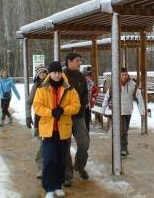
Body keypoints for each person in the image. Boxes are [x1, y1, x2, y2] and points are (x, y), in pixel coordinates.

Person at [33, 61, 80, 198]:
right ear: (50, 73)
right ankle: (49, 188)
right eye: (54, 72)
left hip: (63, 130)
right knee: (49, 159)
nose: (57, 75)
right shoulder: (42, 89)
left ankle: (58, 185)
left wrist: (63, 110)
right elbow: (37, 106)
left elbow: (76, 105)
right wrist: (51, 112)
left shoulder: (69, 89)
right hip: (49, 130)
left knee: (61, 159)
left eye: (59, 72)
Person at [102, 67, 145, 156]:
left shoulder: (133, 84)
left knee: (125, 130)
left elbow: (139, 99)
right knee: (123, 131)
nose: (125, 76)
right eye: (123, 75)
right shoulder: (114, 85)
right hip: (118, 112)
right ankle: (123, 148)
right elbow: (107, 97)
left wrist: (142, 112)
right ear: (119, 75)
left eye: (126, 74)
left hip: (128, 111)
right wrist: (103, 109)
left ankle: (120, 147)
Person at [63, 53, 90, 186]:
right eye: (77, 60)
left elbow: (85, 94)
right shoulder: (61, 76)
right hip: (65, 117)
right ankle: (67, 174)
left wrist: (82, 109)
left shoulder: (81, 77)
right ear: (69, 61)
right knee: (65, 146)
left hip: (78, 116)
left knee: (84, 143)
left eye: (80, 60)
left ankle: (79, 166)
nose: (80, 63)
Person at [26, 64, 48, 179]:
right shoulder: (36, 86)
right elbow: (29, 102)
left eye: (45, 72)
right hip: (39, 120)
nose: (43, 75)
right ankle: (40, 167)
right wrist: (28, 116)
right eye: (41, 73)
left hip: (52, 119)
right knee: (41, 145)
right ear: (37, 75)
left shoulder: (53, 84)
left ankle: (51, 168)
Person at [82, 66, 99, 131]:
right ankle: (83, 134)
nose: (88, 77)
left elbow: (96, 91)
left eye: (89, 76)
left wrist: (93, 98)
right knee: (83, 121)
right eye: (87, 75)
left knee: (87, 121)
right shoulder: (81, 83)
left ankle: (87, 134)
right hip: (82, 106)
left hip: (88, 106)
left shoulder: (91, 84)